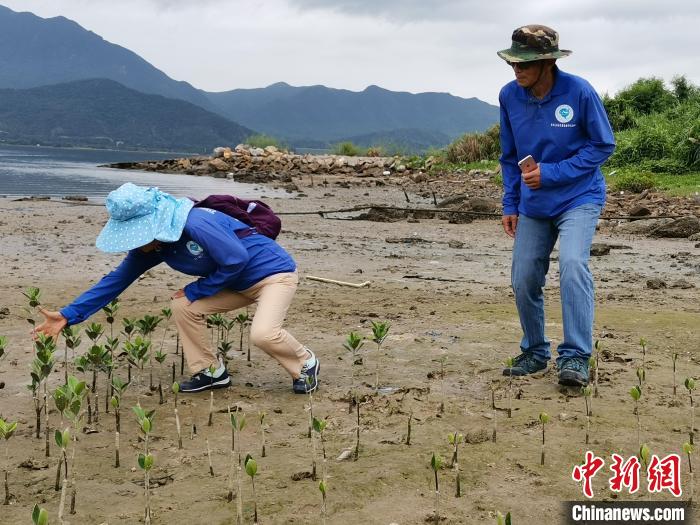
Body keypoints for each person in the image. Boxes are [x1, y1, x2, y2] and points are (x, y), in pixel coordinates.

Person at [34, 182, 320, 394]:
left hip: (273, 275)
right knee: (183, 305)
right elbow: (116, 280)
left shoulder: (196, 222)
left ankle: (305, 364)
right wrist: (69, 315)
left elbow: (236, 259)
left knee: (263, 333)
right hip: (234, 282)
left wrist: (198, 289)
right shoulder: (153, 248)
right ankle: (210, 372)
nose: (133, 243)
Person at [497, 25, 615, 386]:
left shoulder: (578, 92)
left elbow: (602, 145)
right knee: (523, 277)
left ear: (548, 62)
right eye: (513, 63)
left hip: (579, 197)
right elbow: (510, 155)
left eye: (525, 63)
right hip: (534, 203)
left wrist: (552, 173)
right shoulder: (509, 96)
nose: (517, 70)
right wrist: (511, 202)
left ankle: (576, 356)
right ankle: (534, 351)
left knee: (573, 265)